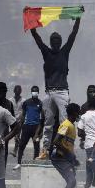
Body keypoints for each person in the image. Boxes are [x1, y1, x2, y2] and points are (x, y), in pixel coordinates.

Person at [30, 16, 81, 160]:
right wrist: (30, 20)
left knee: (65, 123)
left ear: (61, 42)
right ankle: (45, 151)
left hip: (62, 91)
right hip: (48, 92)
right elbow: (37, 38)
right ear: (51, 43)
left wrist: (78, 19)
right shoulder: (46, 52)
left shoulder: (65, 52)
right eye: (54, 41)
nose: (56, 43)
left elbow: (73, 34)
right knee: (48, 124)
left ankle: (66, 149)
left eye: (58, 40)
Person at [50, 103, 81, 188]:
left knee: (72, 181)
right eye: (78, 112)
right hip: (59, 157)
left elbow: (68, 144)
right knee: (71, 181)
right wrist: (68, 153)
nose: (79, 114)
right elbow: (56, 141)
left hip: (66, 157)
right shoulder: (66, 125)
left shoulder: (71, 125)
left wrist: (73, 158)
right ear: (74, 113)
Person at [14, 86, 44, 169]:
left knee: (36, 146)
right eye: (33, 91)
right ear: (31, 92)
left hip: (36, 128)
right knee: (21, 145)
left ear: (38, 92)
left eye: (36, 91)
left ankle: (35, 162)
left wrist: (40, 132)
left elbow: (42, 120)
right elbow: (23, 116)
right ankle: (19, 163)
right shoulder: (26, 102)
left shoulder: (40, 103)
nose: (35, 92)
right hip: (26, 127)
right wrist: (19, 130)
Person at [0, 82, 15, 163]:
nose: (3, 94)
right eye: (1, 92)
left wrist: (14, 134)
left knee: (4, 155)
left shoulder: (9, 104)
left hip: (4, 135)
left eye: (5, 92)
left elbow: (13, 122)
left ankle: (2, 173)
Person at [10, 85, 25, 157]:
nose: (17, 91)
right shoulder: (10, 100)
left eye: (19, 90)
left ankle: (16, 151)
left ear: (21, 91)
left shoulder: (23, 100)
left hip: (20, 120)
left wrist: (21, 120)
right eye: (16, 90)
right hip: (11, 120)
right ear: (14, 91)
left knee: (17, 135)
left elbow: (24, 111)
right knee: (15, 135)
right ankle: (21, 148)